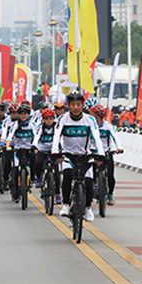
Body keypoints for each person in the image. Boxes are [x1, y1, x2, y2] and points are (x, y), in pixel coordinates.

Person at [52, 91, 105, 222]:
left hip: (85, 155)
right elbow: (56, 136)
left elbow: (96, 138)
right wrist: (55, 152)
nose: (76, 107)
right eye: (73, 104)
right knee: (68, 175)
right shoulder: (62, 119)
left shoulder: (90, 120)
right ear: (68, 106)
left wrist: (101, 154)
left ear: (82, 105)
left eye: (78, 104)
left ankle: (87, 208)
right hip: (68, 155)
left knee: (88, 182)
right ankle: (65, 205)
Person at [3, 103, 36, 203]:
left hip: (28, 149)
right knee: (15, 170)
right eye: (21, 113)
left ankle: (33, 179)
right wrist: (8, 145)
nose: (23, 115)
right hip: (17, 150)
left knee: (34, 161)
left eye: (25, 113)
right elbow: (10, 136)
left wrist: (35, 146)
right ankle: (15, 192)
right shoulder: (15, 125)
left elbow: (36, 136)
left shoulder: (32, 125)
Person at [90, 104, 122, 206]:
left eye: (93, 115)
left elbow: (115, 137)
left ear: (98, 116)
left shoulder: (108, 126)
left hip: (106, 152)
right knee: (90, 174)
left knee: (110, 175)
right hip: (93, 152)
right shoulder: (90, 125)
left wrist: (118, 147)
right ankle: (92, 190)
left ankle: (110, 194)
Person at [32, 107, 57, 190]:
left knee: (56, 171)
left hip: (53, 150)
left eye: (51, 118)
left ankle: (57, 194)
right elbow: (36, 137)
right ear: (43, 119)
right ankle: (39, 178)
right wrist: (35, 146)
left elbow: (61, 138)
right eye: (46, 118)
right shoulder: (40, 127)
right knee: (38, 162)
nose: (49, 120)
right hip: (42, 149)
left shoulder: (57, 127)